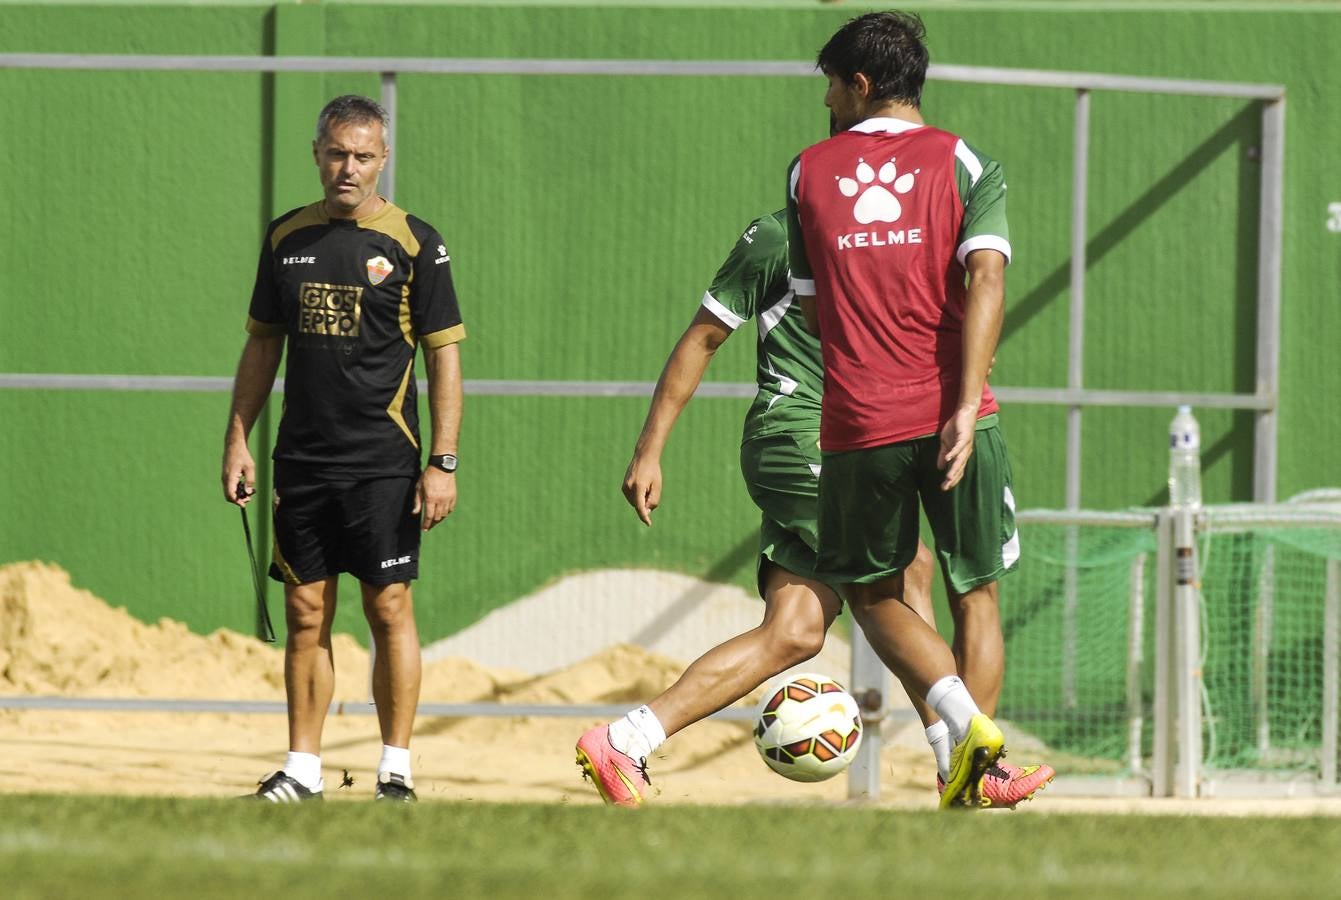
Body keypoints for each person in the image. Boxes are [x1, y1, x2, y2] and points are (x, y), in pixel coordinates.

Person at [576, 205, 1049, 809]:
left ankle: (623, 742)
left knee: (794, 632)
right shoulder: (778, 235)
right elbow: (703, 336)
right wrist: (649, 449)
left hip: (850, 448)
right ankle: (963, 756)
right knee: (907, 569)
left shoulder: (891, 241)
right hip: (795, 437)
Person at [787, 11, 1020, 808]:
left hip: (859, 421)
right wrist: (960, 404)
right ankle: (976, 774)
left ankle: (957, 733)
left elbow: (814, 311)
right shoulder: (964, 161)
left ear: (858, 84)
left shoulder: (808, 171)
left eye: (829, 84)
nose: (824, 100)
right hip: (963, 416)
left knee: (871, 595)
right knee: (975, 594)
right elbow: (986, 280)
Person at [221, 95, 465, 803]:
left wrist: (442, 461)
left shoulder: (416, 242)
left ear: (382, 159)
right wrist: (238, 439)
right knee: (304, 614)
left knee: (389, 606)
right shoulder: (284, 238)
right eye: (335, 153)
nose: (347, 167)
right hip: (302, 462)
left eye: (362, 155)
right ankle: (302, 769)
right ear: (317, 153)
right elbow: (262, 344)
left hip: (384, 462)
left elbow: (444, 358)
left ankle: (396, 769)